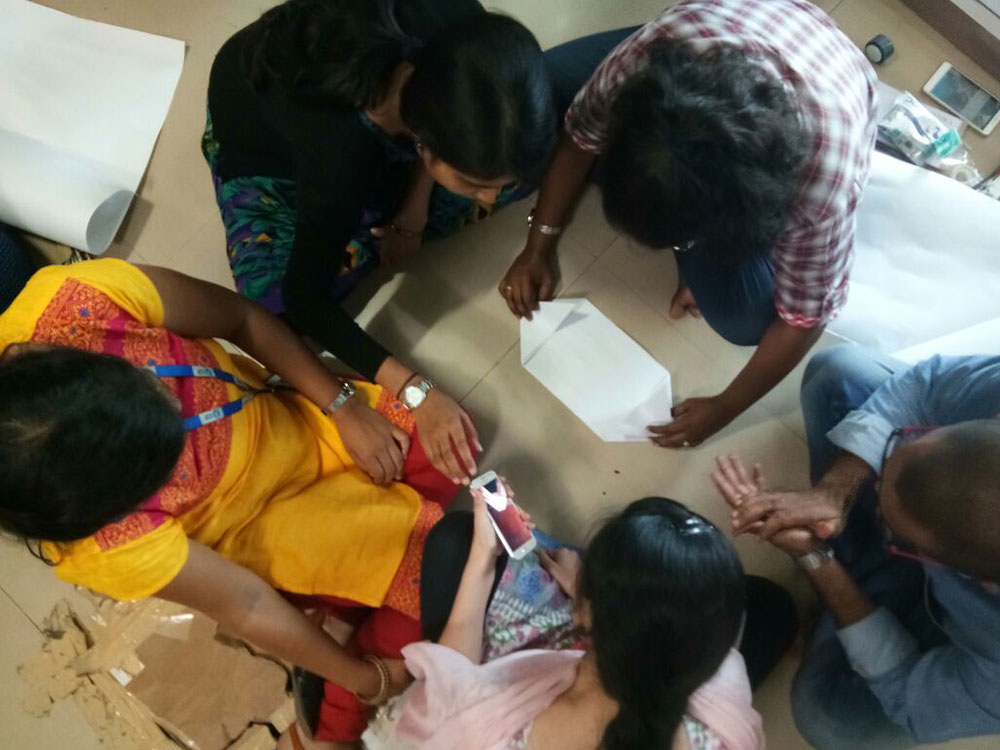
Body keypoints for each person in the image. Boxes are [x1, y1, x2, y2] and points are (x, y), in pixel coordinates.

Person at [0, 259, 477, 746]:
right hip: (267, 527)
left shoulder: (78, 300)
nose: (178, 405)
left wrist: (342, 407)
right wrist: (366, 680)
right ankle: (330, 715)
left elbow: (242, 319)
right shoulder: (102, 547)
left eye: (150, 383)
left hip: (292, 418)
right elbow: (246, 604)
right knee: (440, 578)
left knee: (449, 449)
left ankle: (342, 618)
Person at [499, 0, 879, 449]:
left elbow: (805, 319)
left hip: (833, 85)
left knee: (744, 321)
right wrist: (538, 244)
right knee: (535, 94)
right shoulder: (656, 58)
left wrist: (724, 408)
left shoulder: (822, 187)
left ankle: (694, 250)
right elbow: (580, 138)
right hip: (728, 31)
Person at [205, 0, 556, 485]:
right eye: (477, 182)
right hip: (267, 148)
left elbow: (454, 149)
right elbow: (305, 299)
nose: (489, 195)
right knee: (276, 314)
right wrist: (415, 392)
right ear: (423, 144)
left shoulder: (465, 36)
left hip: (372, 145)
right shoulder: (338, 157)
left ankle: (397, 210)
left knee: (522, 173)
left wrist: (413, 213)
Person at [716, 345, 1000, 749]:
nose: (876, 482)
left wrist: (816, 558)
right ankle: (861, 570)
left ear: (982, 582)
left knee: (829, 719)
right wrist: (837, 490)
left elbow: (905, 693)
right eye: (909, 442)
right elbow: (925, 384)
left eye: (896, 529)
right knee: (836, 372)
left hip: (960, 639)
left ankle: (857, 576)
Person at [356, 492, 798, 750]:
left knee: (454, 537)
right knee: (774, 605)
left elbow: (449, 681)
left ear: (582, 613)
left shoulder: (488, 728)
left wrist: (483, 557)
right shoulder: (725, 687)